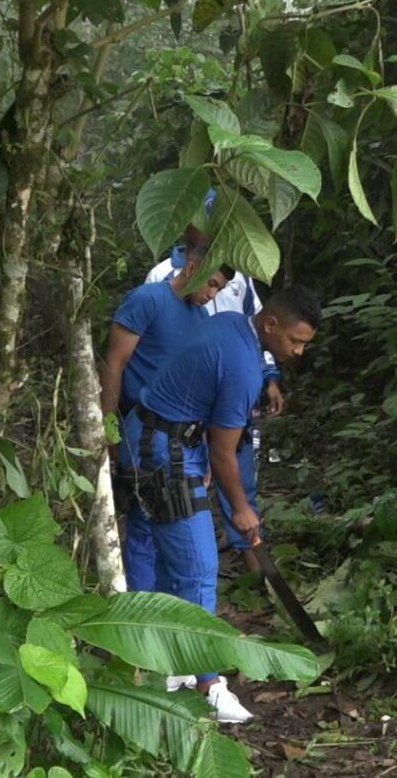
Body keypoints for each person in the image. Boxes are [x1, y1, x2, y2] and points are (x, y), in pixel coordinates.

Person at [128, 285, 321, 723]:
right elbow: (225, 449)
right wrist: (241, 509)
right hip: (164, 454)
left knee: (159, 552)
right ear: (270, 324)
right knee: (198, 568)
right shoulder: (243, 367)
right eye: (296, 341)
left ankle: (163, 663)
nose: (298, 351)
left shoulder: (235, 326)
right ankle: (207, 682)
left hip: (149, 435)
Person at [146, 194, 283, 570]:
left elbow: (260, 323)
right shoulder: (161, 276)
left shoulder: (239, 275)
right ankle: (198, 551)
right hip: (185, 400)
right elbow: (156, 343)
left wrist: (269, 375)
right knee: (192, 478)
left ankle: (246, 548)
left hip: (232, 384)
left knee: (234, 461)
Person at [99, 224, 231, 595]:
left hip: (177, 440)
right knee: (141, 524)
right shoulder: (148, 300)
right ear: (192, 270)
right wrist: (108, 430)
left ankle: (164, 609)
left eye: (219, 288)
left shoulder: (201, 320)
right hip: (137, 429)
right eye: (212, 284)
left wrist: (202, 455)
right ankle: (142, 613)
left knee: (166, 522)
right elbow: (113, 363)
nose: (213, 294)